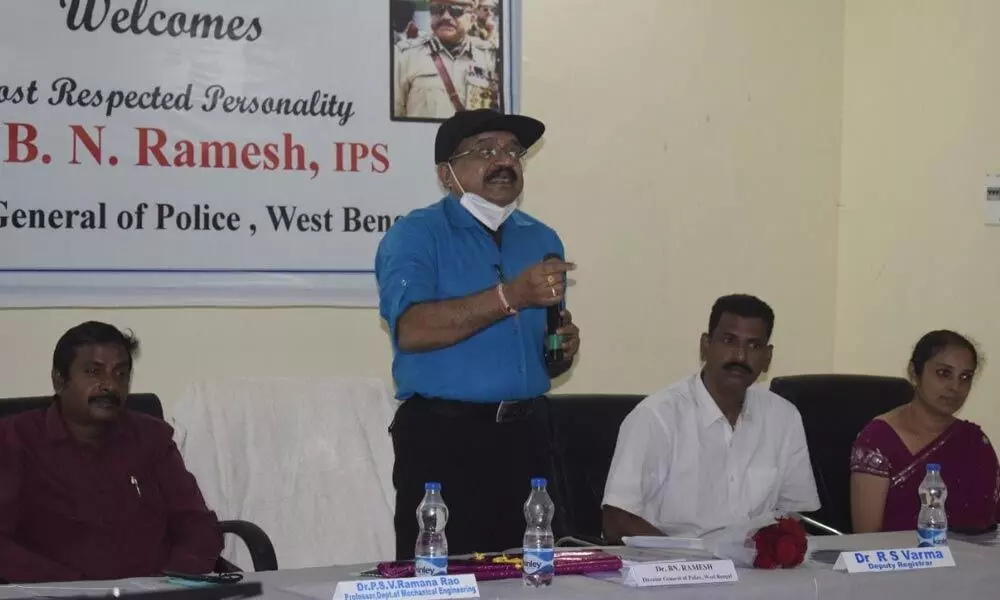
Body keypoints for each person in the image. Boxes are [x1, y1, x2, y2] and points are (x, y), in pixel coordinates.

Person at [375, 108, 580, 558]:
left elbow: (544, 341)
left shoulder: (541, 238)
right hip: (445, 442)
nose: (503, 160)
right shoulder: (415, 235)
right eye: (485, 151)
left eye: (512, 151)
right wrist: (510, 296)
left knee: (537, 577)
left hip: (529, 441)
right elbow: (412, 329)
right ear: (447, 175)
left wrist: (561, 348)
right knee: (444, 581)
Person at [0, 322, 223, 583]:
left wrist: (173, 580)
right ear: (60, 380)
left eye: (120, 374)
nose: (110, 385)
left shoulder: (152, 438)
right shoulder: (15, 439)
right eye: (94, 372)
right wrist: (73, 586)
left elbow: (197, 525)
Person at [601, 294, 820, 542]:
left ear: (768, 357)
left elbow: (794, 516)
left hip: (758, 574)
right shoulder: (656, 417)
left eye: (753, 346)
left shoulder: (784, 418)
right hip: (673, 570)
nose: (740, 356)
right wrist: (692, 562)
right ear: (705, 346)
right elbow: (617, 520)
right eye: (729, 340)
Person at [850, 330, 1000, 533]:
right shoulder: (878, 440)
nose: (955, 387)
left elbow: (992, 529)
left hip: (976, 561)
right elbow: (866, 537)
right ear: (915, 373)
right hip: (901, 562)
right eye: (943, 373)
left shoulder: (974, 441)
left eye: (965, 377)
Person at [394, 0, 499, 119]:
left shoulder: (489, 57)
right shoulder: (406, 55)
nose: (445, 16)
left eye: (455, 10)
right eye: (437, 10)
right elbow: (395, 115)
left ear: (472, 18)